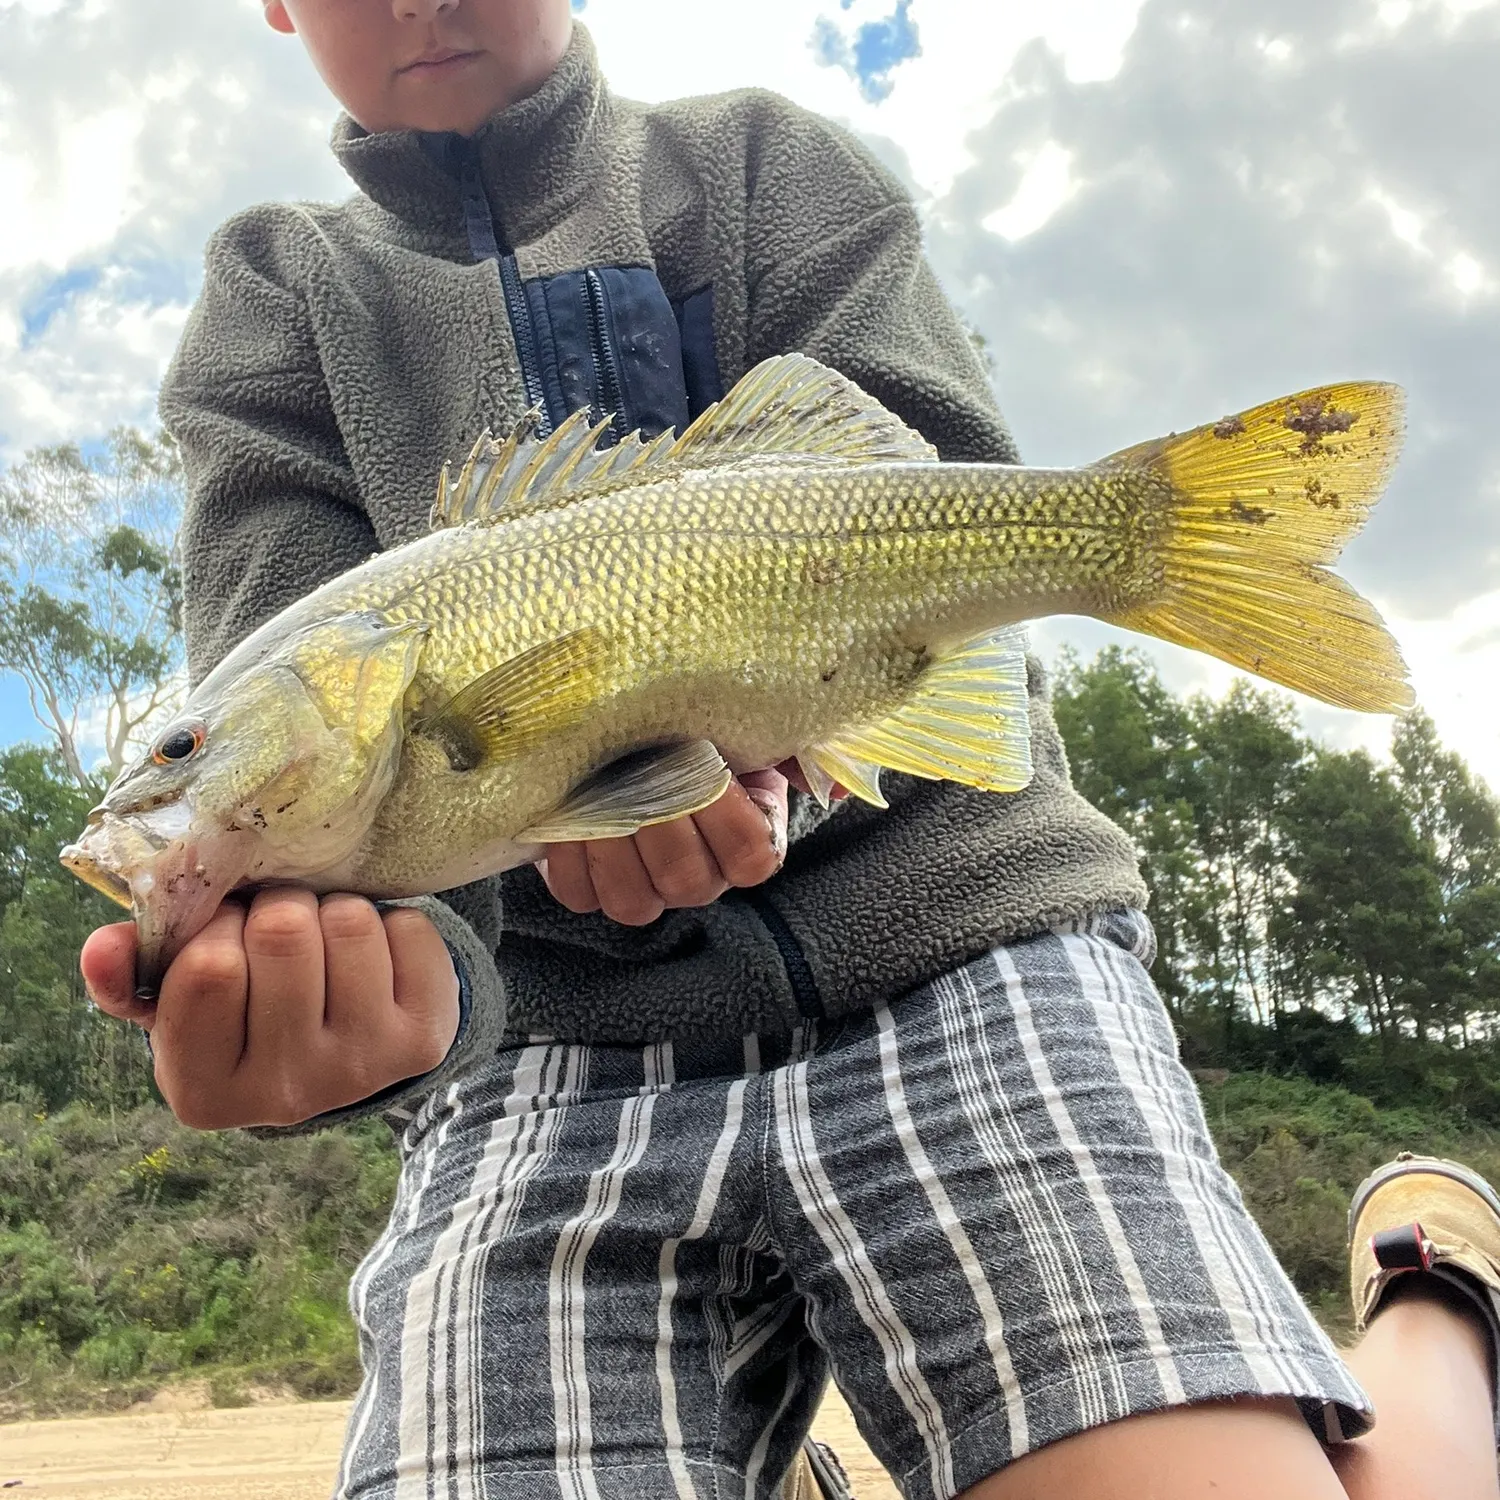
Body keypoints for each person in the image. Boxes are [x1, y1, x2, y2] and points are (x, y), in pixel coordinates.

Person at [80, 3, 1500, 1497]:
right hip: (561, 1058)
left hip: (964, 944)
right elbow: (391, 899)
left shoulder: (766, 162)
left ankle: (1439, 1302)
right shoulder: (271, 297)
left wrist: (797, 758)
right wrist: (389, 1010)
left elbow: (925, 467)